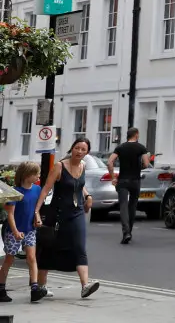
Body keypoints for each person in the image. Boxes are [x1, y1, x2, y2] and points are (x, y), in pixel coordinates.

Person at [34, 138, 100, 299]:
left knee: (79, 246)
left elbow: (79, 184)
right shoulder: (60, 166)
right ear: (72, 149)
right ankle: (41, 287)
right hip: (57, 214)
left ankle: (85, 286)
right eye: (77, 148)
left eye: (83, 149)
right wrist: (36, 211)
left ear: (87, 153)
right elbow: (46, 189)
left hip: (76, 212)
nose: (79, 151)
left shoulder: (83, 166)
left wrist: (88, 195)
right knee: (49, 249)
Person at [0, 162, 45, 303]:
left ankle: (35, 289)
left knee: (32, 258)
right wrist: (15, 232)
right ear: (26, 175)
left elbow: (36, 208)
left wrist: (37, 219)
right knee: (9, 259)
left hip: (30, 230)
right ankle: (1, 288)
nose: (38, 176)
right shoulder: (14, 192)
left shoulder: (37, 189)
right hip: (14, 231)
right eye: (36, 173)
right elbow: (10, 215)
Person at [107, 127, 150, 244]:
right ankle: (129, 231)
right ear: (136, 135)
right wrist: (139, 167)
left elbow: (110, 162)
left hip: (122, 180)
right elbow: (146, 164)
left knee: (123, 206)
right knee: (132, 206)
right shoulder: (141, 147)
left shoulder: (120, 147)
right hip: (135, 180)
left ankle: (126, 232)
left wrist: (113, 177)